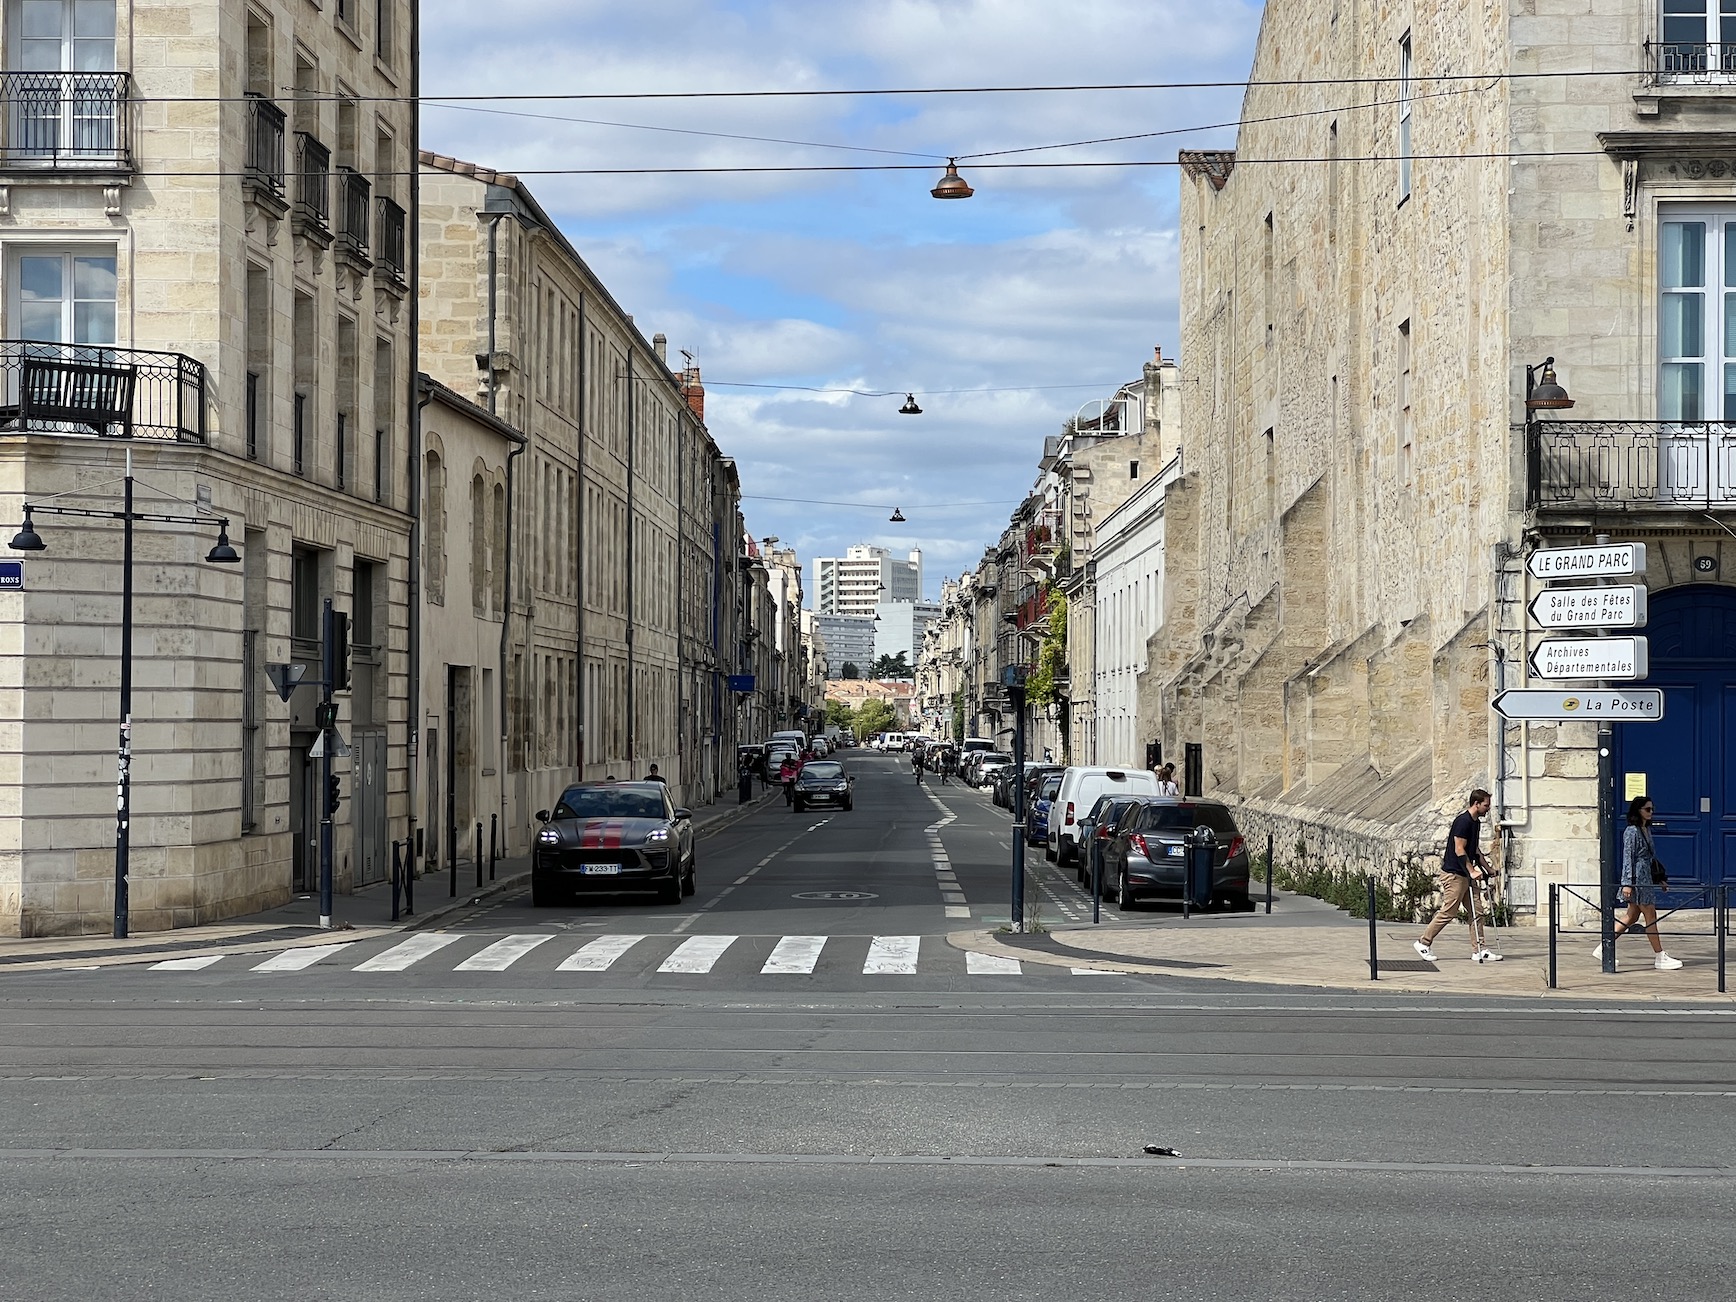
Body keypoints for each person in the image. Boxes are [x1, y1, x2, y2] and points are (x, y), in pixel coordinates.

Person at [1414, 788, 1503, 963]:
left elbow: (1474, 850)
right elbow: (1459, 849)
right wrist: (1472, 870)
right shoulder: (1463, 822)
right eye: (1486, 805)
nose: (1488, 809)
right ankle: (1423, 943)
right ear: (1476, 804)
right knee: (1449, 911)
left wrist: (1487, 869)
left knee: (1477, 911)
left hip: (1467, 875)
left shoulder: (1475, 823)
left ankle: (1479, 950)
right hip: (1454, 874)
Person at [1596, 796, 1684, 970]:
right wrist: (1627, 883)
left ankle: (1603, 947)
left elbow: (1650, 858)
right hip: (1637, 880)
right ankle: (1660, 956)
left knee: (1632, 916)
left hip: (1645, 877)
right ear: (1638, 810)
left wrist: (1659, 879)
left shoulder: (1645, 829)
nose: (1651, 812)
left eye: (1652, 809)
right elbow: (1628, 858)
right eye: (1647, 809)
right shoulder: (1632, 831)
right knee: (1650, 915)